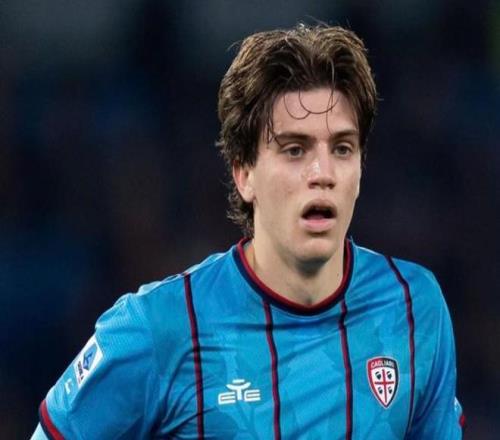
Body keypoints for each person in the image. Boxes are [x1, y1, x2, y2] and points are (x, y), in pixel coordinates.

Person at [32, 24, 464, 439]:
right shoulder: (160, 327)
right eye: (294, 150)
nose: (323, 173)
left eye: (342, 148)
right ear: (244, 174)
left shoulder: (414, 307)